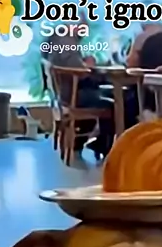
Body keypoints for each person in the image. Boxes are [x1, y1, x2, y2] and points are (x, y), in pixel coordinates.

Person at [41, 24, 114, 159]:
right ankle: (106, 145)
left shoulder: (57, 38)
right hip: (71, 96)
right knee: (115, 103)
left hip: (63, 95)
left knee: (105, 94)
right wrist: (89, 65)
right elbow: (80, 72)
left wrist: (84, 63)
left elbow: (70, 63)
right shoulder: (66, 40)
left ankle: (92, 142)